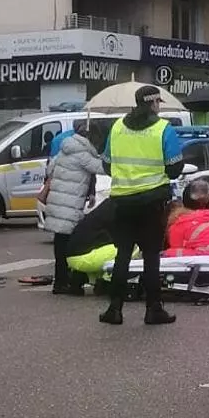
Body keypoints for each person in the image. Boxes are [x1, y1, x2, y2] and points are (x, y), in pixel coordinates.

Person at [99, 85, 183, 327]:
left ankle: (114, 309)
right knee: (151, 258)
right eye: (158, 101)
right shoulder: (162, 129)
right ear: (154, 102)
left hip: (122, 203)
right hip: (151, 203)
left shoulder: (117, 128)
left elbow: (106, 164)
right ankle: (153, 309)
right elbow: (175, 168)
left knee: (123, 256)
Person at [41, 118, 102, 294]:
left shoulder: (65, 149)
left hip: (58, 202)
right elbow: (101, 168)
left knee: (60, 244)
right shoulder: (83, 154)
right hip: (70, 205)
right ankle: (65, 281)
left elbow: (49, 169)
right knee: (71, 244)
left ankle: (60, 281)